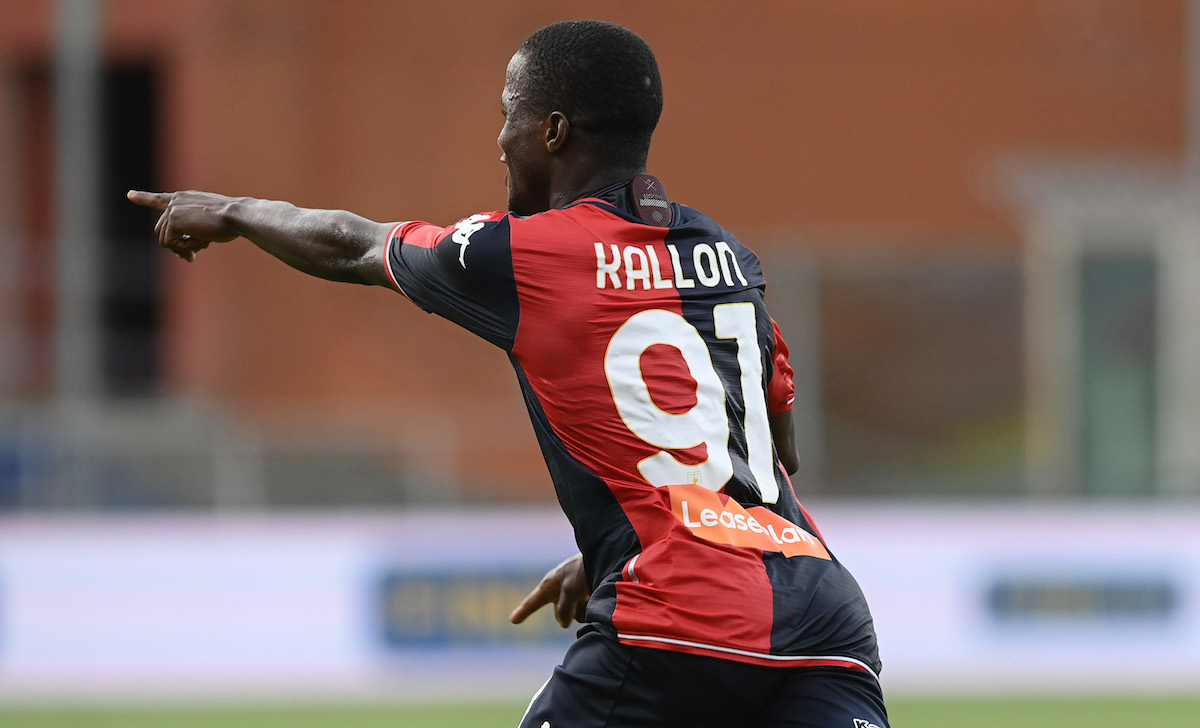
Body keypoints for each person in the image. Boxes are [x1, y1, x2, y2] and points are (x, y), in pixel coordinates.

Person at [129, 19, 889, 728]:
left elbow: (353, 245)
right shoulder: (729, 259)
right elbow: (772, 455)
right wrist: (618, 542)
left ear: (553, 132)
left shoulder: (523, 254)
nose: (499, 140)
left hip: (678, 617)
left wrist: (232, 209)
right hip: (825, 621)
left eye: (508, 114)